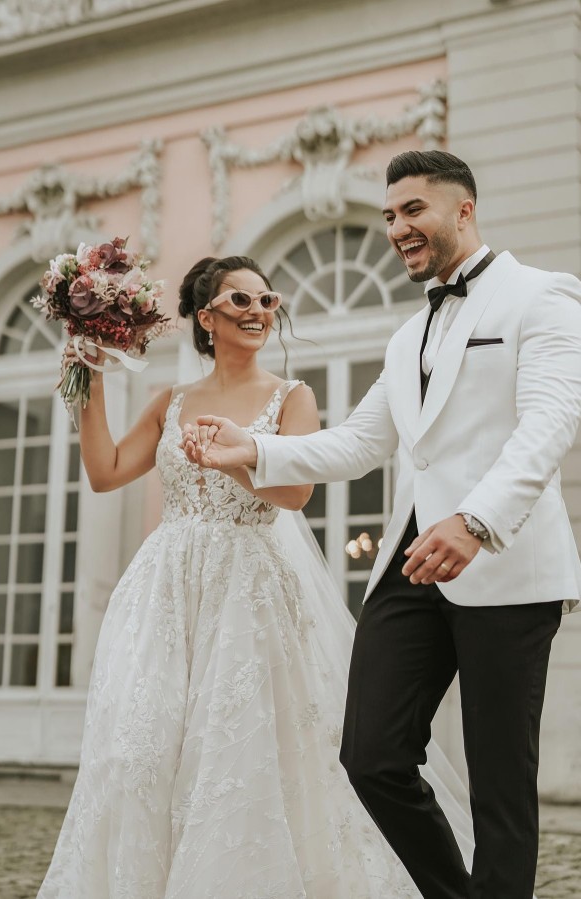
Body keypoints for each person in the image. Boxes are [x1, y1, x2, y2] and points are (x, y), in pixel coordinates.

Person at [182, 151, 581, 899]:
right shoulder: (407, 337)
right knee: (371, 754)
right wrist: (255, 448)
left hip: (504, 560)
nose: (397, 227)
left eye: (413, 210)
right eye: (390, 214)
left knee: (500, 783)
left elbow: (551, 422)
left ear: (463, 210)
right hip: (409, 564)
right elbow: (358, 443)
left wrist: (477, 521)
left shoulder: (544, 296)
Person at [38, 253, 473, 899]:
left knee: (240, 748)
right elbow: (105, 471)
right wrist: (89, 377)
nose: (259, 312)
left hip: (250, 587)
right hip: (166, 587)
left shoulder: (292, 396)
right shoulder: (171, 400)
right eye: (241, 301)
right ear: (206, 316)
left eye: (268, 301)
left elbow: (296, 492)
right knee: (143, 748)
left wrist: (235, 459)